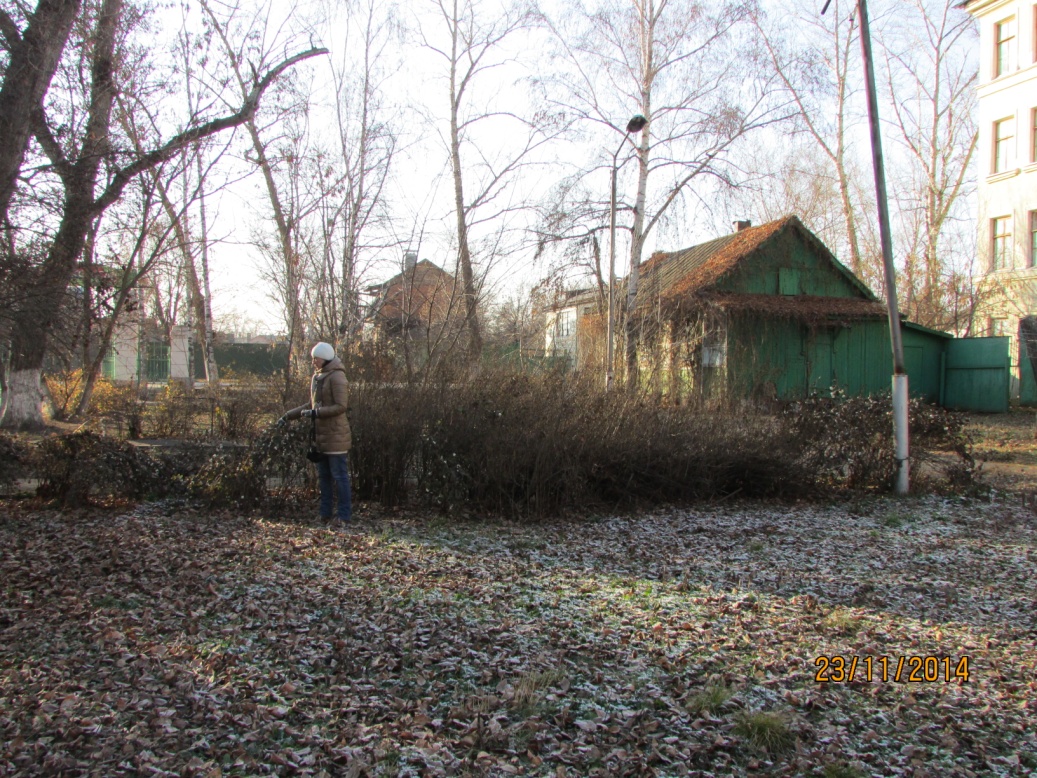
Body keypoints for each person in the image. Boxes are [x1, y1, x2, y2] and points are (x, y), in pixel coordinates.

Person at [280, 342, 352, 528]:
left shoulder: (337, 377)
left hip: (336, 437)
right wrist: (288, 416)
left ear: (325, 358)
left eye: (316, 358)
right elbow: (311, 405)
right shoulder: (317, 377)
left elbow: (341, 406)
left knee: (339, 476)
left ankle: (344, 515)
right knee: (324, 478)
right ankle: (325, 514)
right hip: (321, 437)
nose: (313, 362)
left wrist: (316, 413)